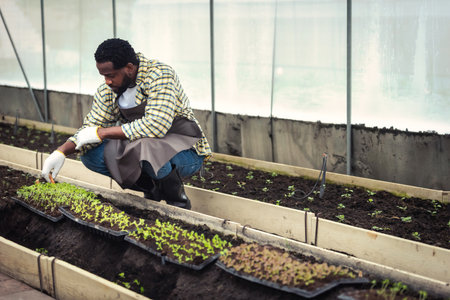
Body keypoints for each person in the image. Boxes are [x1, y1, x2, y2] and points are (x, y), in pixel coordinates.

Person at [41, 38, 211, 210]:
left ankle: (178, 203)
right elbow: (92, 125)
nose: (107, 81)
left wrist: (103, 133)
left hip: (185, 152)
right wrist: (61, 151)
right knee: (91, 155)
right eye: (104, 76)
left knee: (146, 147)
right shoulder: (107, 91)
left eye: (111, 75)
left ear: (129, 68)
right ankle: (151, 190)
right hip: (143, 147)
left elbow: (156, 125)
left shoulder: (159, 75)